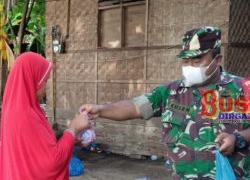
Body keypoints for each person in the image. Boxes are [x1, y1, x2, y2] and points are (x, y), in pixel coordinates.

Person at [79, 26, 250, 179]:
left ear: (217, 59)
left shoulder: (242, 90)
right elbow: (135, 107)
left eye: (197, 60)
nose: (190, 66)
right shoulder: (171, 92)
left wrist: (238, 138)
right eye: (185, 61)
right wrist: (102, 109)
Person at [0, 52, 90, 180]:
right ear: (31, 79)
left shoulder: (16, 110)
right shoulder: (26, 116)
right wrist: (73, 128)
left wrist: (68, 140)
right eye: (44, 80)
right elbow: (53, 161)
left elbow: (34, 150)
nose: (46, 88)